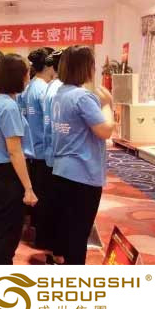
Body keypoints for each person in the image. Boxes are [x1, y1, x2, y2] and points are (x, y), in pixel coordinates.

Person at [52, 46, 114, 265]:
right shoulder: (83, 97)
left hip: (62, 170)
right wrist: (107, 105)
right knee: (79, 233)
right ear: (86, 67)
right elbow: (105, 130)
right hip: (82, 173)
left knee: (67, 229)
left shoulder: (61, 93)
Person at [0, 54, 38, 265]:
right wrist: (28, 188)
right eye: (27, 73)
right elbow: (15, 151)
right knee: (8, 232)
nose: (28, 77)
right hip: (9, 174)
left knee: (0, 228)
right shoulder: (8, 106)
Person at [25, 47, 55, 247]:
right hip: (43, 150)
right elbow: (49, 123)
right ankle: (44, 238)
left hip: (33, 149)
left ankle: (37, 227)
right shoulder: (43, 89)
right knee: (45, 196)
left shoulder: (31, 85)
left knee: (39, 193)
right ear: (49, 66)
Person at [40, 49, 64, 264]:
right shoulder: (58, 89)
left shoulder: (52, 86)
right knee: (58, 205)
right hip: (57, 154)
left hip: (50, 151)